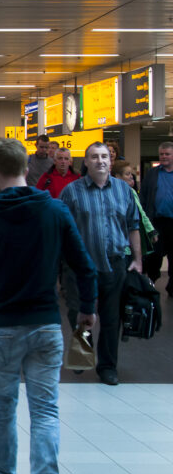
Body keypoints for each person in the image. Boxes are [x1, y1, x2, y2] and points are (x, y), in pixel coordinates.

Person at [0, 138, 97, 474]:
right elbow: (83, 266)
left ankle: (1, 473)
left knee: (2, 406)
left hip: (2, 326)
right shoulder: (55, 210)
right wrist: (87, 311)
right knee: (46, 411)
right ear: (27, 168)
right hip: (46, 326)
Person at [60, 142, 142, 386]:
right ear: (86, 162)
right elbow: (62, 228)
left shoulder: (124, 191)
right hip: (80, 268)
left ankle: (107, 367)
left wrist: (137, 260)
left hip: (115, 264)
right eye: (94, 157)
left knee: (111, 318)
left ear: (111, 160)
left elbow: (133, 226)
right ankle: (84, 347)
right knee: (78, 312)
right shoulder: (72, 191)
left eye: (104, 156)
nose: (100, 161)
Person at [139, 142, 173, 295]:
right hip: (156, 222)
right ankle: (151, 281)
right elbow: (144, 196)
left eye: (167, 154)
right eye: (162, 154)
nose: (164, 157)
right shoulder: (153, 173)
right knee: (155, 255)